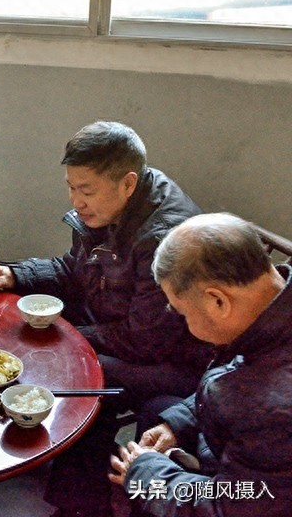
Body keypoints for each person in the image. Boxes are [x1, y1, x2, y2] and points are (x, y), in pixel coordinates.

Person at [0, 121, 212, 516]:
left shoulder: (161, 238)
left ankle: (80, 506)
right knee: (19, 321)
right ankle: (60, 480)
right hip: (116, 326)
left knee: (79, 374)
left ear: (128, 183)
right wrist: (15, 274)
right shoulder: (107, 210)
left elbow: (146, 340)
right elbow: (74, 271)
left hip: (173, 360)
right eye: (71, 187)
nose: (76, 201)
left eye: (86, 190)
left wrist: (69, 338)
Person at [109, 212, 292, 516]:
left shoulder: (271, 412)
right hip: (255, 462)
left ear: (218, 301)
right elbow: (237, 376)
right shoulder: (267, 313)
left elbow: (227, 507)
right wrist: (180, 421)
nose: (183, 321)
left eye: (182, 312)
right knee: (159, 411)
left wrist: (146, 475)